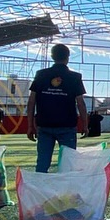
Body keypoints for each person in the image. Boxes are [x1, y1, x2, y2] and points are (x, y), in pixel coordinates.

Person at [26, 43, 88, 173]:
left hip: (44, 124)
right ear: (68, 57)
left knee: (42, 163)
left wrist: (30, 125)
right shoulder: (75, 77)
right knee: (68, 163)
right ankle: (67, 186)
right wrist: (85, 124)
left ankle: (40, 185)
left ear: (52, 56)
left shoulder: (41, 74)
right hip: (67, 125)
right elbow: (80, 103)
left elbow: (31, 101)